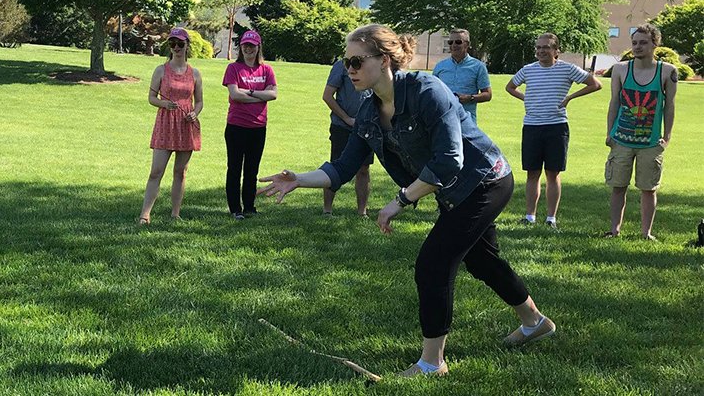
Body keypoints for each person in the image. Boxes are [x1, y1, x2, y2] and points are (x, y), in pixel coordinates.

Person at [258, 24, 555, 378]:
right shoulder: (368, 112)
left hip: (486, 179)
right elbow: (342, 168)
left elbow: (449, 159)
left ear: (383, 60)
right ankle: (535, 322)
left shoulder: (427, 90)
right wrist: (299, 180)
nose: (347, 69)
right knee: (481, 259)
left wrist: (399, 200)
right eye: (345, 62)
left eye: (355, 61)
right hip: (451, 188)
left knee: (433, 263)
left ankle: (432, 363)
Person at [505, 33, 601, 228]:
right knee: (532, 173)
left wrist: (569, 98)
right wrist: (528, 99)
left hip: (557, 127)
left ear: (556, 50)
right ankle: (530, 216)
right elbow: (510, 87)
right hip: (532, 126)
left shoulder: (567, 69)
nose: (541, 51)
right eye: (538, 47)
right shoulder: (528, 70)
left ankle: (551, 218)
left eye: (546, 47)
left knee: (553, 173)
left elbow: (595, 84)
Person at [604, 24, 677, 240]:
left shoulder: (668, 71)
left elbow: (670, 106)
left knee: (649, 189)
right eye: (634, 42)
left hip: (651, 141)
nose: (637, 47)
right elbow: (614, 101)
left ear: (655, 44)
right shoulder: (620, 69)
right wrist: (609, 132)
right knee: (618, 186)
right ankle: (615, 230)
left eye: (643, 42)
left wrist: (667, 136)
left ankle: (646, 233)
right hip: (621, 139)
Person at [139, 28, 203, 224]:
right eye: (173, 44)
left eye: (180, 44)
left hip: (185, 125)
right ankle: (145, 215)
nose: (176, 47)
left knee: (180, 171)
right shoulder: (161, 70)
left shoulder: (195, 73)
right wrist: (164, 104)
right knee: (156, 171)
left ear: (186, 46)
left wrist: (194, 113)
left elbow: (199, 101)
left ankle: (175, 214)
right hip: (166, 123)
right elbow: (151, 97)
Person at [223, 30, 277, 220]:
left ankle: (249, 206)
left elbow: (273, 95)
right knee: (235, 168)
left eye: (252, 46)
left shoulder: (267, 70)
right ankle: (235, 208)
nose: (248, 49)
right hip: (237, 126)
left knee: (252, 169)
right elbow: (235, 95)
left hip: (258, 127)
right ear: (241, 47)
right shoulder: (233, 68)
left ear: (258, 47)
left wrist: (250, 92)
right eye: (245, 45)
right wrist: (260, 95)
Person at [321, 58, 373, 216]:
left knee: (364, 169)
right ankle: (327, 210)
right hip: (342, 126)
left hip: (366, 127)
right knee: (335, 167)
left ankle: (362, 212)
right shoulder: (342, 65)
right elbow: (327, 96)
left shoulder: (373, 66)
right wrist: (346, 118)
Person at [432, 29, 492, 122]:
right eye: (450, 42)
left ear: (468, 44)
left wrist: (470, 98)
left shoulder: (478, 67)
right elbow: (432, 91)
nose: (453, 45)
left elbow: (488, 95)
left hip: (466, 121)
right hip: (443, 120)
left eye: (458, 42)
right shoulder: (440, 66)